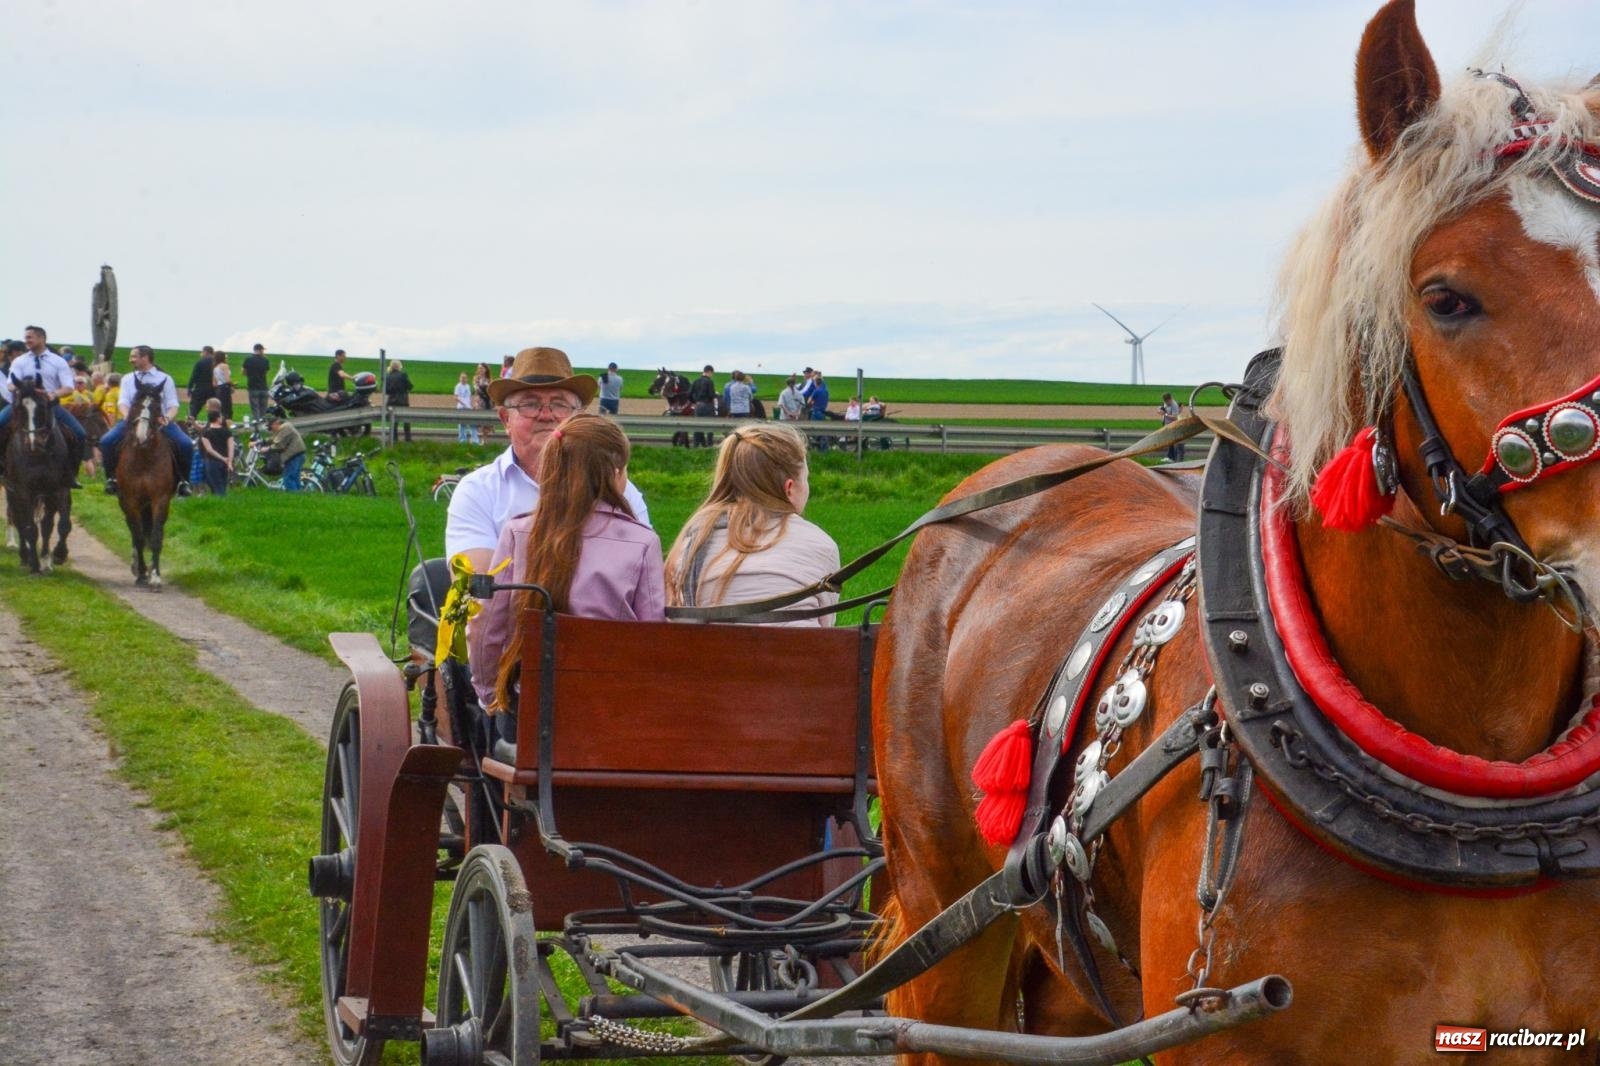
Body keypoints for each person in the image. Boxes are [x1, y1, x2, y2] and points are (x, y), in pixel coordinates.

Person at [467, 414, 665, 712]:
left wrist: (489, 693)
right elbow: (653, 639)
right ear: (615, 472)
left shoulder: (519, 532)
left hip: (529, 706)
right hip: (611, 707)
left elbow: (488, 624)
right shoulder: (642, 542)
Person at [445, 346, 650, 575]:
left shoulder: (617, 489)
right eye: (530, 404)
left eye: (559, 404)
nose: (546, 415)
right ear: (505, 419)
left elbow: (640, 573)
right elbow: (477, 593)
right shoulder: (478, 491)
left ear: (578, 418)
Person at [665, 422, 838, 627]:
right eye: (806, 479)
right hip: (797, 656)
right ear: (789, 488)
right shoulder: (822, 544)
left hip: (713, 657)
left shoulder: (694, 538)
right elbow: (825, 625)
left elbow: (679, 618)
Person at [100, 344, 195, 496]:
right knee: (106, 441)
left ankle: (183, 482)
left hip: (159, 422)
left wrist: (167, 418)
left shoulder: (165, 378)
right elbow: (123, 402)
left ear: (145, 358)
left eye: (134, 357)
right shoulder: (127, 379)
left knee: (186, 445)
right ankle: (112, 479)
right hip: (131, 420)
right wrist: (127, 416)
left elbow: (173, 405)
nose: (131, 360)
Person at [0, 325, 88, 487]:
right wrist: (23, 389)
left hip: (50, 406)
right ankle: (3, 469)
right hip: (22, 406)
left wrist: (52, 394)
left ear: (42, 338)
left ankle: (71, 474)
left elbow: (68, 387)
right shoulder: (20, 361)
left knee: (80, 434)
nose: (26, 340)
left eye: (30, 337)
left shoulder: (58, 361)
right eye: (26, 337)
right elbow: (11, 384)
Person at [263, 412, 307, 490]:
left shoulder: (285, 427)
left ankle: (293, 498)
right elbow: (273, 438)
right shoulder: (283, 428)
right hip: (298, 455)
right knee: (295, 477)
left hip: (294, 456)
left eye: (270, 427)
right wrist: (260, 442)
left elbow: (279, 444)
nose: (270, 430)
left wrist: (267, 448)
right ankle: (299, 497)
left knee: (288, 478)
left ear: (276, 423)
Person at [199, 408, 234, 496]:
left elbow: (209, 449)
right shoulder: (227, 432)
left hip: (211, 461)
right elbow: (231, 448)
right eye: (221, 416)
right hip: (225, 462)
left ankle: (219, 504)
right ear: (218, 418)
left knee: (215, 486)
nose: (222, 418)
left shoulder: (205, 433)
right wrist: (229, 461)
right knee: (223, 485)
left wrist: (222, 458)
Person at [688, 364, 718, 447]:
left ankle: (696, 445)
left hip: (698, 406)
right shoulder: (709, 381)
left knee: (698, 426)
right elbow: (711, 395)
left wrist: (694, 402)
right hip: (707, 406)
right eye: (712, 373)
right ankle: (709, 445)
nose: (712, 375)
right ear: (709, 372)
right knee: (710, 426)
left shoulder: (696, 381)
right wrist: (716, 394)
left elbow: (689, 394)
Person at [384, 359, 414, 442]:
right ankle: (407, 439)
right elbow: (410, 386)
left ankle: (394, 439)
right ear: (399, 366)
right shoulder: (403, 375)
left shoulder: (388, 376)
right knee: (406, 420)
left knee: (393, 422)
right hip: (402, 400)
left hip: (391, 401)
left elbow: (385, 390)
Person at [242, 343, 271, 421]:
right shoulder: (265, 360)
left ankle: (257, 424)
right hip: (264, 387)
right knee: (263, 408)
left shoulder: (248, 359)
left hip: (253, 387)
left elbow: (244, 372)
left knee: (255, 408)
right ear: (260, 350)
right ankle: (263, 423)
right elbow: (266, 372)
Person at [187, 346, 215, 418]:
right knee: (213, 409)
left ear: (206, 352)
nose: (201, 354)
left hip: (200, 389)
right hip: (213, 389)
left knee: (194, 408)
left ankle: (191, 425)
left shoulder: (200, 362)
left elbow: (194, 376)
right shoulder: (216, 363)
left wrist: (189, 387)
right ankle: (212, 425)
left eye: (202, 352)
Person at [454, 372, 480, 444]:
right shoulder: (458, 386)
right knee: (462, 424)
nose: (464, 379)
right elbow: (455, 397)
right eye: (462, 378)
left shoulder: (468, 386)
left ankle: (475, 440)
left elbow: (469, 397)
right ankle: (462, 440)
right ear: (460, 378)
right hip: (461, 407)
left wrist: (471, 405)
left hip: (468, 407)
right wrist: (463, 404)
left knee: (472, 423)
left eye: (465, 378)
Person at [808, 371, 831, 451]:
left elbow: (809, 401)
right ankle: (823, 448)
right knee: (822, 431)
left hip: (816, 412)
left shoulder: (816, 391)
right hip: (822, 412)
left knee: (813, 431)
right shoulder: (826, 391)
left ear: (815, 383)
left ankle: (817, 448)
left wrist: (813, 401)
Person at [1159, 392, 1184, 462]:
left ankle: (1171, 457)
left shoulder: (1174, 405)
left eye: (1167, 402)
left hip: (1172, 425)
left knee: (1171, 442)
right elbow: (1164, 409)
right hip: (1167, 424)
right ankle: (1170, 457)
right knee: (1169, 442)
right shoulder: (1166, 403)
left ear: (1170, 399)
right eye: (1165, 402)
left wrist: (1165, 414)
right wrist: (1161, 410)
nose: (1166, 403)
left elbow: (1175, 417)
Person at [473, 362, 494, 440]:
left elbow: (491, 391)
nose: (480, 370)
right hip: (480, 401)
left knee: (486, 422)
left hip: (487, 401)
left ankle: (484, 440)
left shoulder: (489, 380)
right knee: (479, 421)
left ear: (485, 369)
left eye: (481, 368)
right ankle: (478, 438)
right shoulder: (476, 378)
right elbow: (476, 390)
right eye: (479, 368)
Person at [212, 351, 234, 420]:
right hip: (225, 388)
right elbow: (227, 380)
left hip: (218, 389)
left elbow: (214, 384)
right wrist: (233, 385)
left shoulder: (215, 367)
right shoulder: (225, 366)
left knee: (220, 408)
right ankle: (227, 423)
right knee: (228, 408)